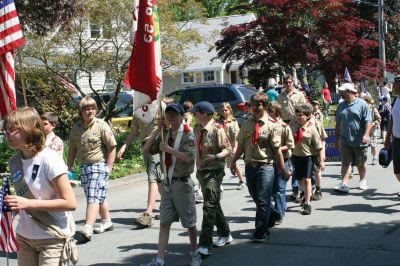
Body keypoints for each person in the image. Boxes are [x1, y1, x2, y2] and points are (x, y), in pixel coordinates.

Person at [4, 107, 78, 265]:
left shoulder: (49, 159)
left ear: (29, 129)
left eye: (12, 129)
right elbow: (24, 196)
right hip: (25, 237)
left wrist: (28, 203)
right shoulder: (15, 162)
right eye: (5, 130)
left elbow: (70, 203)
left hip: (51, 238)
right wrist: (12, 208)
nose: (6, 134)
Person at [142, 103, 201, 266]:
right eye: (168, 115)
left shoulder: (188, 135)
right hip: (168, 185)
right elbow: (146, 149)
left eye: (174, 115)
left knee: (189, 223)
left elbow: (189, 158)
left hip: (182, 184)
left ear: (182, 116)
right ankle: (159, 259)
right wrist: (156, 130)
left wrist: (169, 149)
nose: (170, 118)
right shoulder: (165, 133)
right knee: (164, 222)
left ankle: (195, 253)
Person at [230, 93, 282, 241]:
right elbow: (240, 145)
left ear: (264, 106)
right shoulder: (246, 123)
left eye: (258, 104)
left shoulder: (272, 125)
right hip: (249, 165)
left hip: (266, 165)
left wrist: (282, 168)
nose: (254, 107)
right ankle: (272, 214)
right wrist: (233, 161)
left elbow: (277, 149)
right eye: (252, 104)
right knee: (255, 195)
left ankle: (261, 230)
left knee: (263, 199)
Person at [68, 96, 117, 243]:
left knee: (93, 196)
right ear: (81, 111)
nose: (90, 111)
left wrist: (109, 167)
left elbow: (112, 146)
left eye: (92, 108)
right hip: (84, 166)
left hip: (98, 165)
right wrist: (68, 167)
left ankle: (88, 227)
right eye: (86, 109)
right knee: (98, 195)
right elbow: (72, 149)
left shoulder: (101, 125)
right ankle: (107, 220)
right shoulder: (76, 128)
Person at [188, 101, 232, 256]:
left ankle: (205, 244)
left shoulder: (217, 129)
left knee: (208, 207)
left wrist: (215, 157)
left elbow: (228, 149)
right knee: (213, 204)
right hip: (201, 172)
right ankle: (225, 233)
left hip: (214, 172)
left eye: (196, 112)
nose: (194, 115)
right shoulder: (197, 129)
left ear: (205, 114)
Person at [117, 111, 162, 227]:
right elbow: (134, 130)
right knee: (159, 180)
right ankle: (170, 207)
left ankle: (148, 213)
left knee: (153, 177)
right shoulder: (138, 109)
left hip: (157, 145)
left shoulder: (159, 107)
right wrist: (125, 145)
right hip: (145, 145)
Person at [334, 83, 372, 193]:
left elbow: (368, 121)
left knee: (361, 163)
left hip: (359, 139)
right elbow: (337, 124)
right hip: (344, 139)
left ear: (349, 91)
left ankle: (362, 179)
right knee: (345, 163)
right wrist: (336, 140)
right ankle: (344, 184)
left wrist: (366, 135)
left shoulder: (362, 104)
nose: (341, 93)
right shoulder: (340, 106)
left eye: (342, 91)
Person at [289, 104, 324, 214]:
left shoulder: (312, 129)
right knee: (299, 180)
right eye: (297, 115)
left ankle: (307, 203)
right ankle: (306, 194)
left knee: (307, 179)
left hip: (308, 157)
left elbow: (319, 146)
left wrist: (321, 161)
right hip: (295, 156)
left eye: (301, 115)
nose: (298, 117)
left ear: (308, 116)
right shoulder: (293, 126)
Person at [266, 101, 294, 223]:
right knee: (273, 189)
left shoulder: (284, 127)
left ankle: (279, 214)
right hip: (270, 160)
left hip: (284, 159)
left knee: (280, 189)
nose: (267, 113)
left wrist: (277, 149)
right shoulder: (267, 126)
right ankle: (280, 207)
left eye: (270, 111)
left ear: (276, 112)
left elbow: (290, 145)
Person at [217, 102, 245, 190]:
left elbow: (237, 136)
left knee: (234, 164)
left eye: (226, 110)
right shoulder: (218, 122)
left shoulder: (233, 122)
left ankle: (241, 181)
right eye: (222, 110)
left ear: (230, 111)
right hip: (221, 147)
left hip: (231, 147)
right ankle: (219, 184)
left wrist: (235, 148)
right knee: (219, 166)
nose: (224, 112)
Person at [384, 75, 400, 197]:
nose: (392, 86)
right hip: (396, 139)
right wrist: (387, 137)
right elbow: (391, 120)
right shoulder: (395, 99)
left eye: (395, 83)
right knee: (397, 171)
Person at [363, 95, 381, 165]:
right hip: (364, 129)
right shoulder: (363, 108)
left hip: (372, 129)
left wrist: (374, 123)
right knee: (364, 144)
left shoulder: (373, 109)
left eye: (366, 101)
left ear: (369, 101)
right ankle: (363, 159)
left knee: (373, 143)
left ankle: (374, 158)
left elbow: (379, 119)